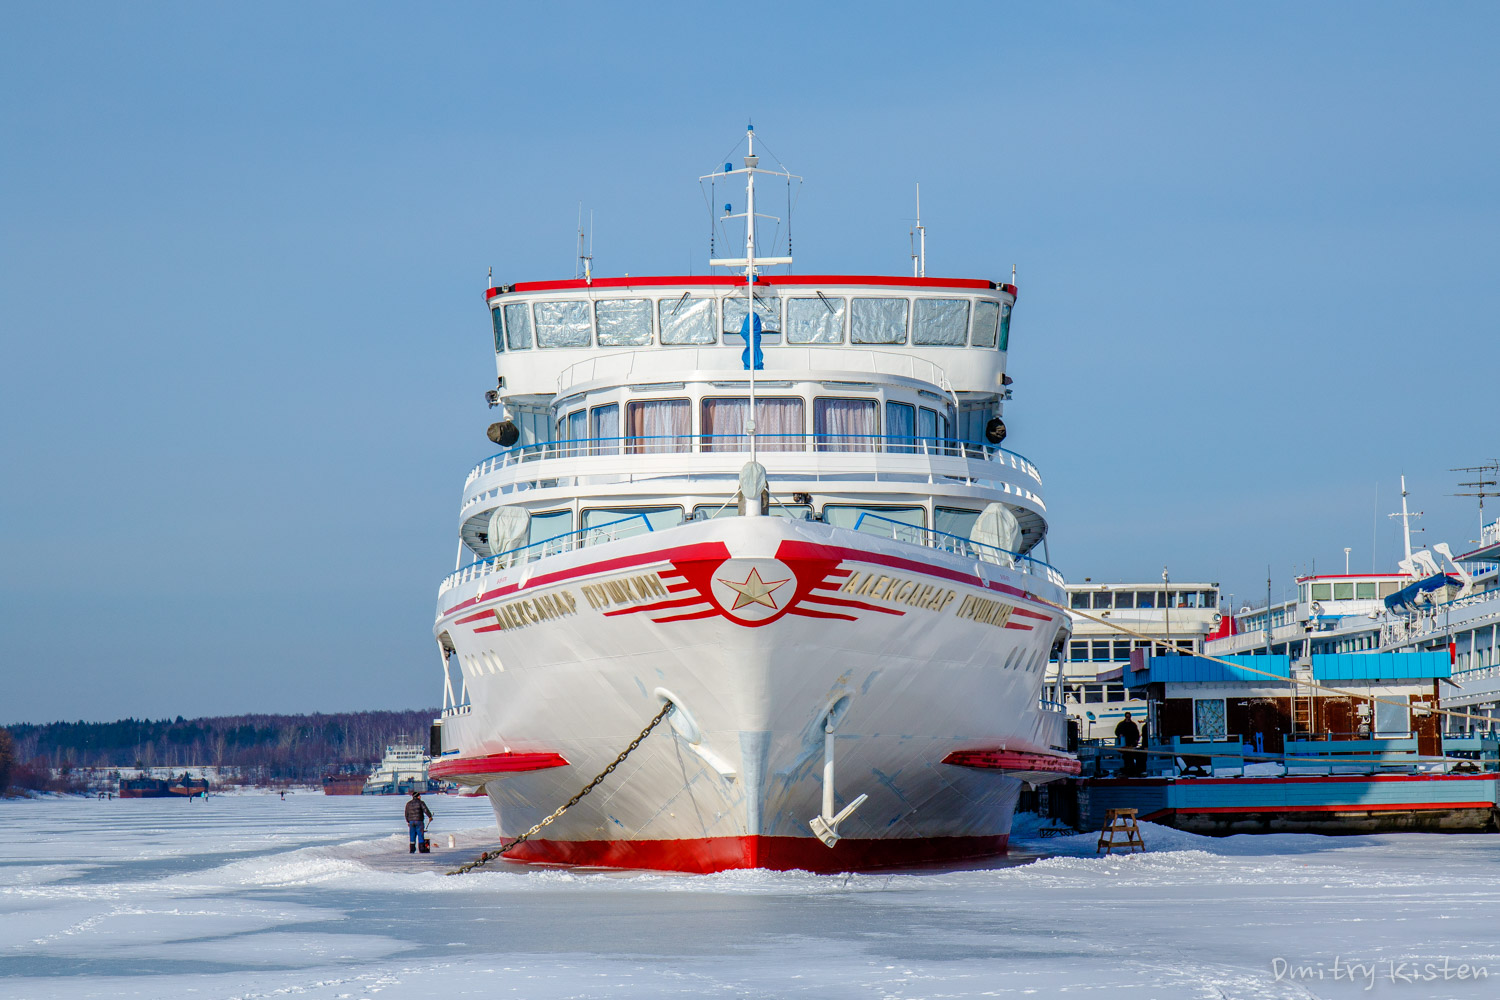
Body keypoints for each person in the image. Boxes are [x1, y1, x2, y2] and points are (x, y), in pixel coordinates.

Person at [1115, 712, 1142, 776]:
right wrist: (1120, 735)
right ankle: (1126, 770)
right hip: (1124, 744)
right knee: (1125, 758)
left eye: (1129, 717)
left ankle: (1132, 770)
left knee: (1131, 757)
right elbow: (1117, 732)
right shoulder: (1121, 724)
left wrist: (1136, 741)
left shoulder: (1133, 725)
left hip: (1131, 744)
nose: (1128, 718)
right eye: (1127, 717)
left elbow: (1136, 734)